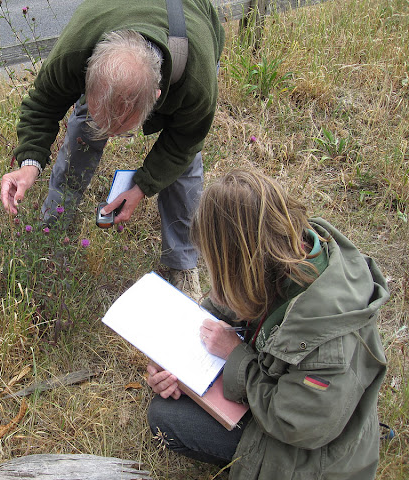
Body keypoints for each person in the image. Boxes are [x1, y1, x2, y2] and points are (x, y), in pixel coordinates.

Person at [146, 169, 389, 479]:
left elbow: (297, 426)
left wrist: (236, 356)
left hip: (309, 454)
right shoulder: (279, 252)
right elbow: (222, 308)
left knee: (167, 418)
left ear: (241, 261)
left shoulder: (328, 338)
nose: (212, 274)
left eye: (218, 264)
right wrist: (170, 361)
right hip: (279, 393)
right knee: (164, 410)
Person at [0, 0, 225, 298]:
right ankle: (50, 232)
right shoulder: (76, 51)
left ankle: (182, 264)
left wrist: (143, 187)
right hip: (108, 22)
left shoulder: (197, 79)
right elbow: (43, 103)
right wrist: (29, 163)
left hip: (188, 26)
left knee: (184, 164)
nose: (111, 137)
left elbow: (184, 141)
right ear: (86, 77)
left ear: (157, 98)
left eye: (120, 129)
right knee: (84, 133)